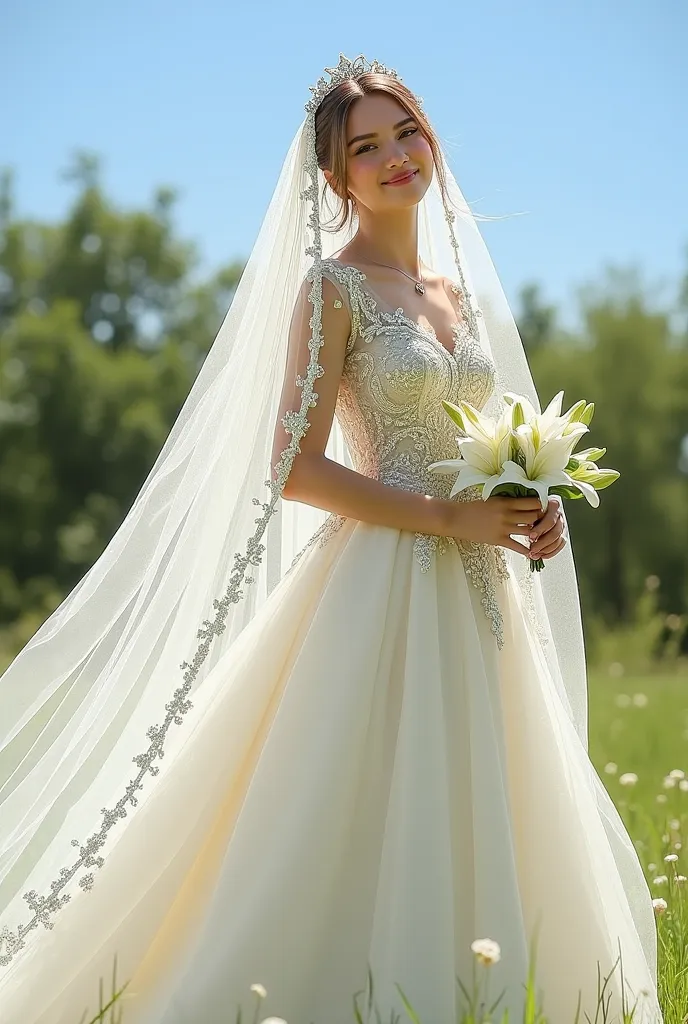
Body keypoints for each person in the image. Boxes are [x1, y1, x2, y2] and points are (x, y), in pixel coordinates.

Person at [0, 55, 663, 1024]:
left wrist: (527, 508)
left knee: (490, 787)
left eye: (406, 133)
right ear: (335, 178)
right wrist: (442, 515)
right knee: (339, 796)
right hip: (378, 580)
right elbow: (292, 465)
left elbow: (476, 436)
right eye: (367, 147)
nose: (396, 156)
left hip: (483, 588)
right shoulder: (332, 289)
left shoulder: (455, 293)